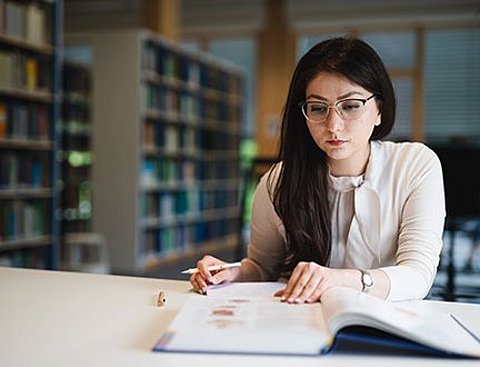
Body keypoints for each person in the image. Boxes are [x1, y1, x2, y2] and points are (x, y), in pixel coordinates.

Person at [190, 37, 446, 303]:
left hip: (385, 324)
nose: (333, 125)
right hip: (299, 323)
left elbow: (417, 276)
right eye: (318, 108)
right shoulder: (278, 181)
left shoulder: (415, 165)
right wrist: (232, 273)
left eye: (350, 106)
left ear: (379, 109)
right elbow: (263, 268)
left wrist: (335, 279)